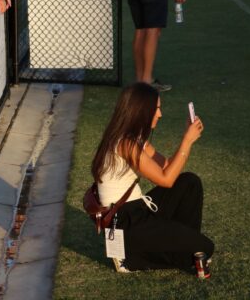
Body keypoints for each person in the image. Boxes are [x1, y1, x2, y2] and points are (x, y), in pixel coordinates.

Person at [90, 82, 213, 274]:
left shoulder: (133, 138)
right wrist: (186, 142)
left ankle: (184, 246)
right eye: (156, 108)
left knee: (189, 182)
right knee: (206, 247)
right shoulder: (125, 143)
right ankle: (129, 259)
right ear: (142, 110)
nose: (160, 114)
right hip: (125, 222)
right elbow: (166, 180)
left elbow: (166, 167)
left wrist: (187, 139)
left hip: (137, 209)